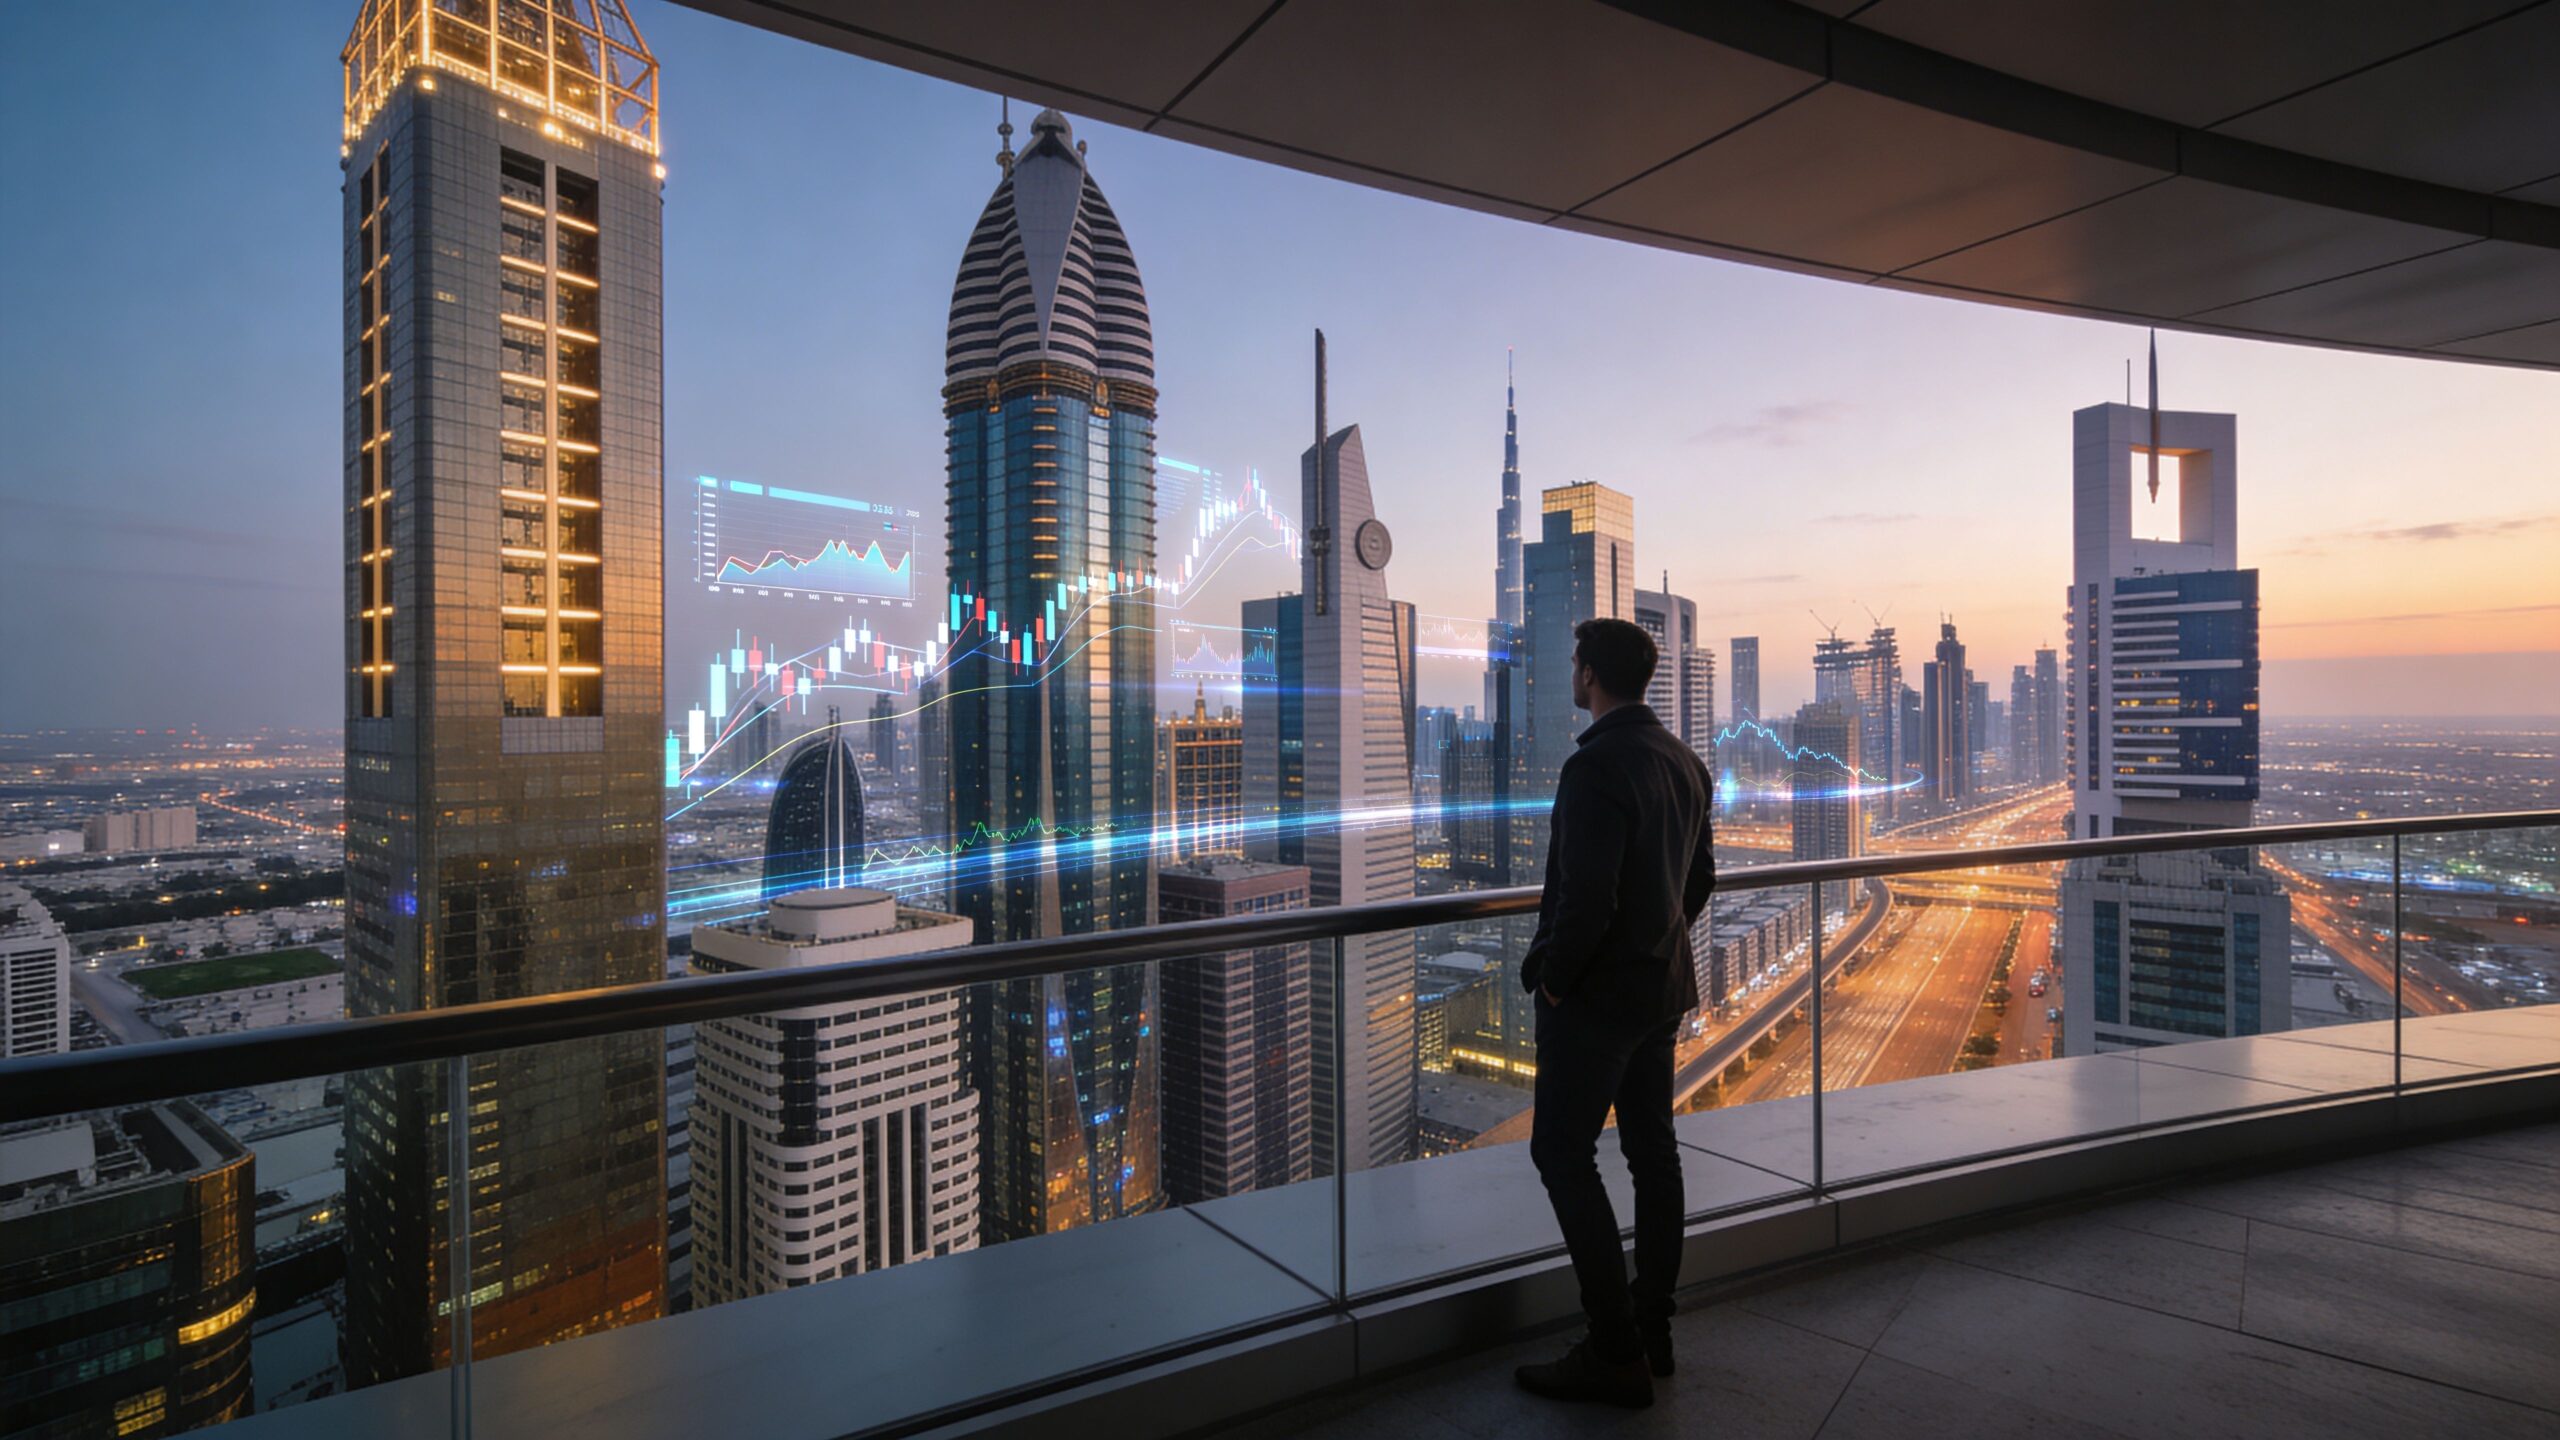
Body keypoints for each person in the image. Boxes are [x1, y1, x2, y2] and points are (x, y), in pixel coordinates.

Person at [1513, 617, 1715, 1409]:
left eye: (1574, 662)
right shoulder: (1685, 761)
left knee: (1562, 1156)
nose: (1571, 672)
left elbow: (1583, 897)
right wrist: (1657, 938)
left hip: (1597, 1002)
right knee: (1651, 1155)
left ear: (1591, 674)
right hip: (1660, 992)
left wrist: (1556, 978)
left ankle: (1613, 1348)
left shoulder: (1594, 766)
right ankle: (1652, 1331)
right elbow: (1699, 880)